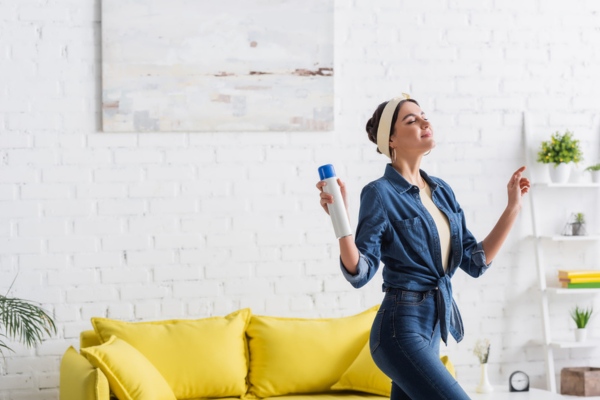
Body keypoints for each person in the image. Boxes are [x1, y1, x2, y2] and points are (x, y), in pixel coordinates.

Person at [316, 95, 530, 400]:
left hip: (430, 329)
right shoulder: (380, 193)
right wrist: (341, 221)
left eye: (424, 116)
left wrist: (512, 209)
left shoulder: (442, 191)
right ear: (391, 139)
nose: (425, 122)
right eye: (411, 120)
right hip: (399, 328)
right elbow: (360, 271)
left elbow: (475, 261)